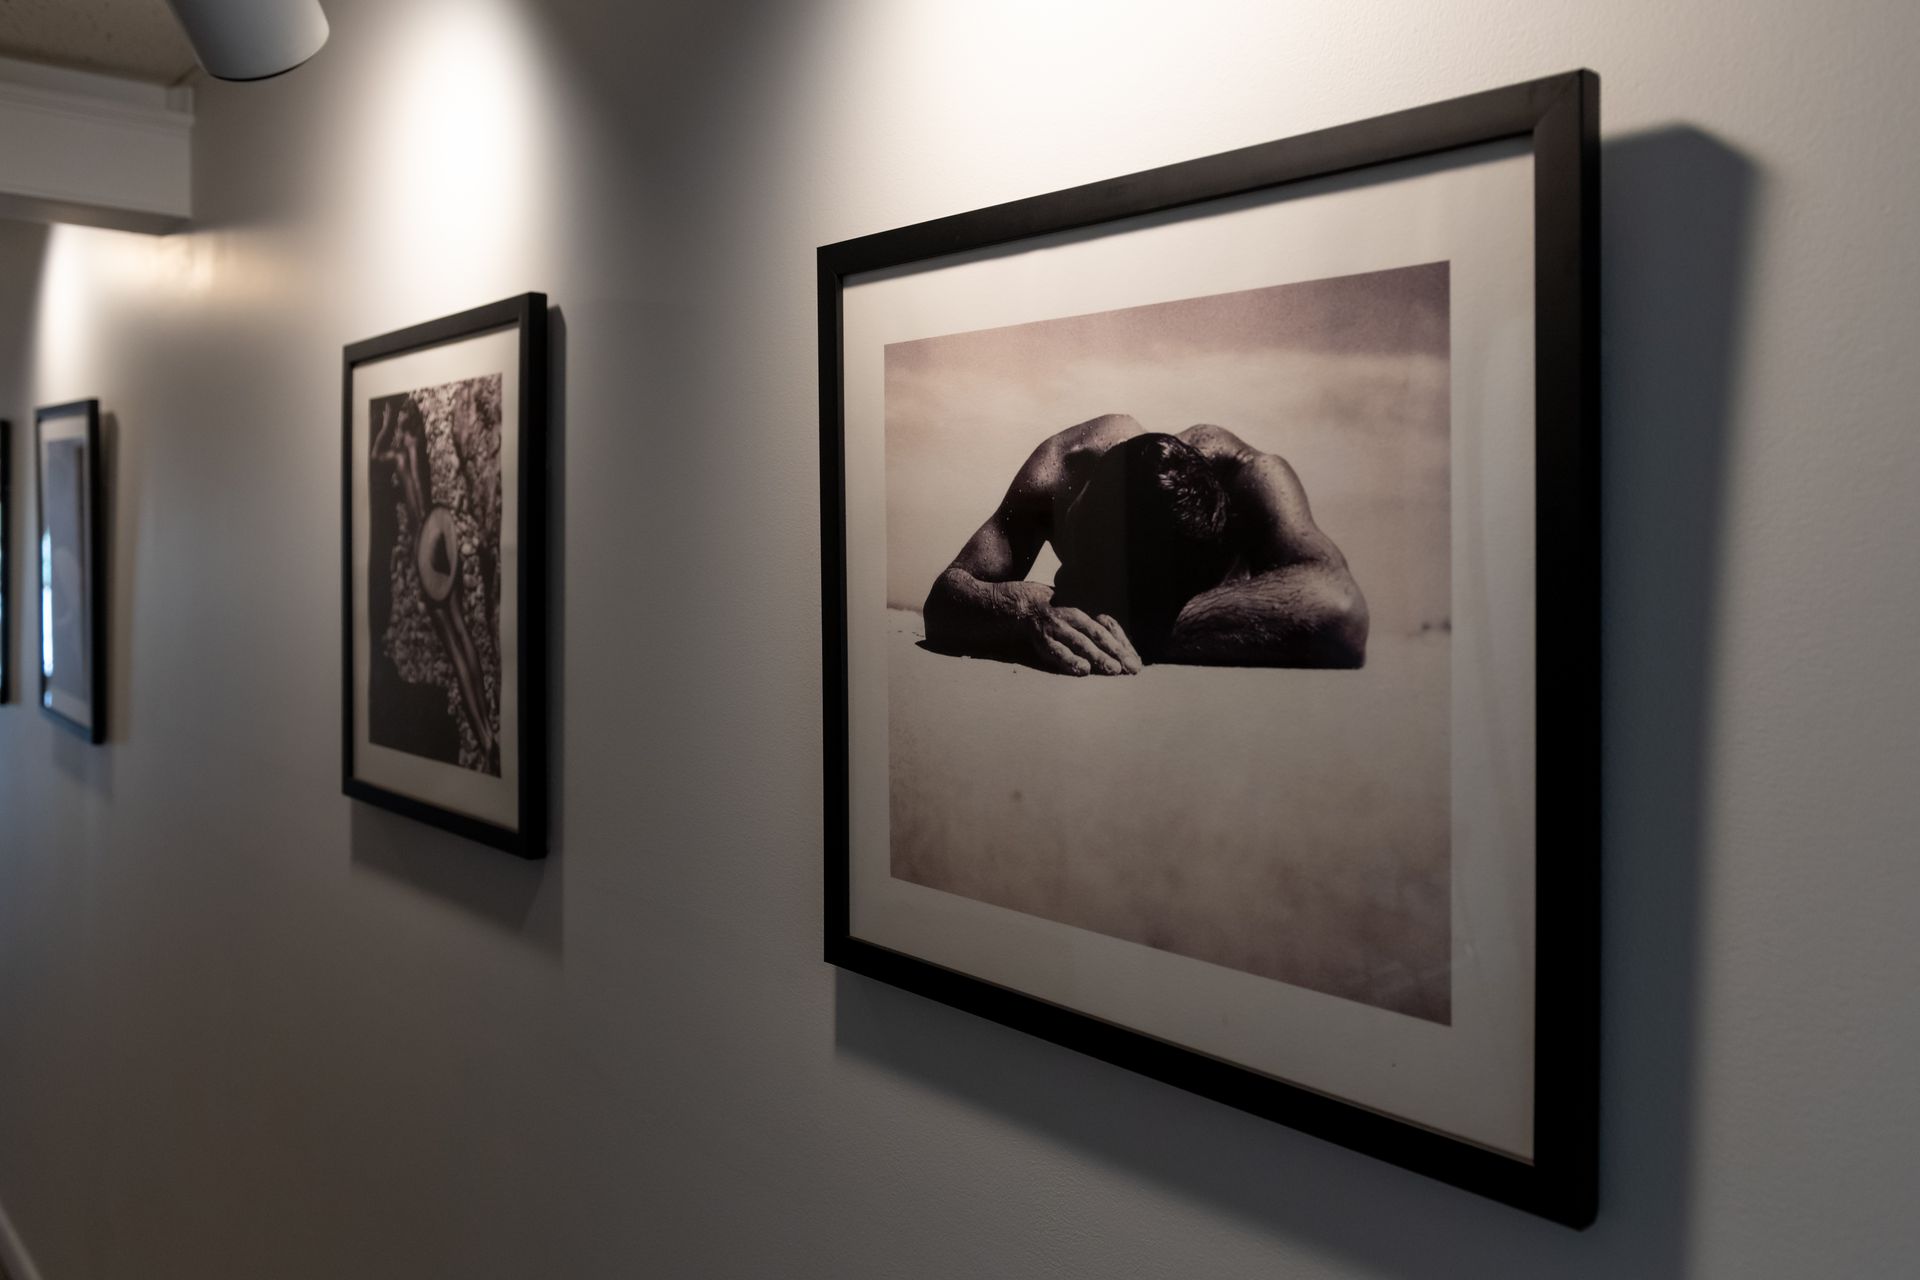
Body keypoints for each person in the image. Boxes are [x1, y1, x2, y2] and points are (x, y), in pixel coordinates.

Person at [922, 413, 1368, 674]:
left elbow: (1342, 610)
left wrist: (1140, 627)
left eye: (1096, 578)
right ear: (1077, 505)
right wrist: (1023, 611)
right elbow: (946, 596)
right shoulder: (1066, 469)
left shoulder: (1251, 477)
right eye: (1076, 561)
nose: (1068, 582)